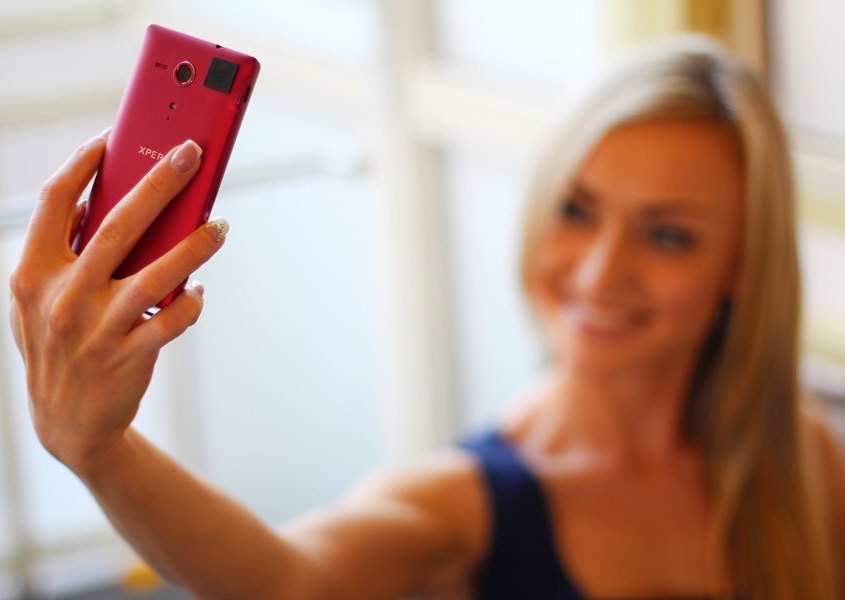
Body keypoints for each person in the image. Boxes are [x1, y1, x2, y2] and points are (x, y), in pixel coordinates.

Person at [8, 34, 845, 600]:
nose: (598, 273)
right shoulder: (469, 503)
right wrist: (99, 451)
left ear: (742, 263)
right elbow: (286, 582)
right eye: (576, 210)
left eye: (666, 235)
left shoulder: (802, 455)